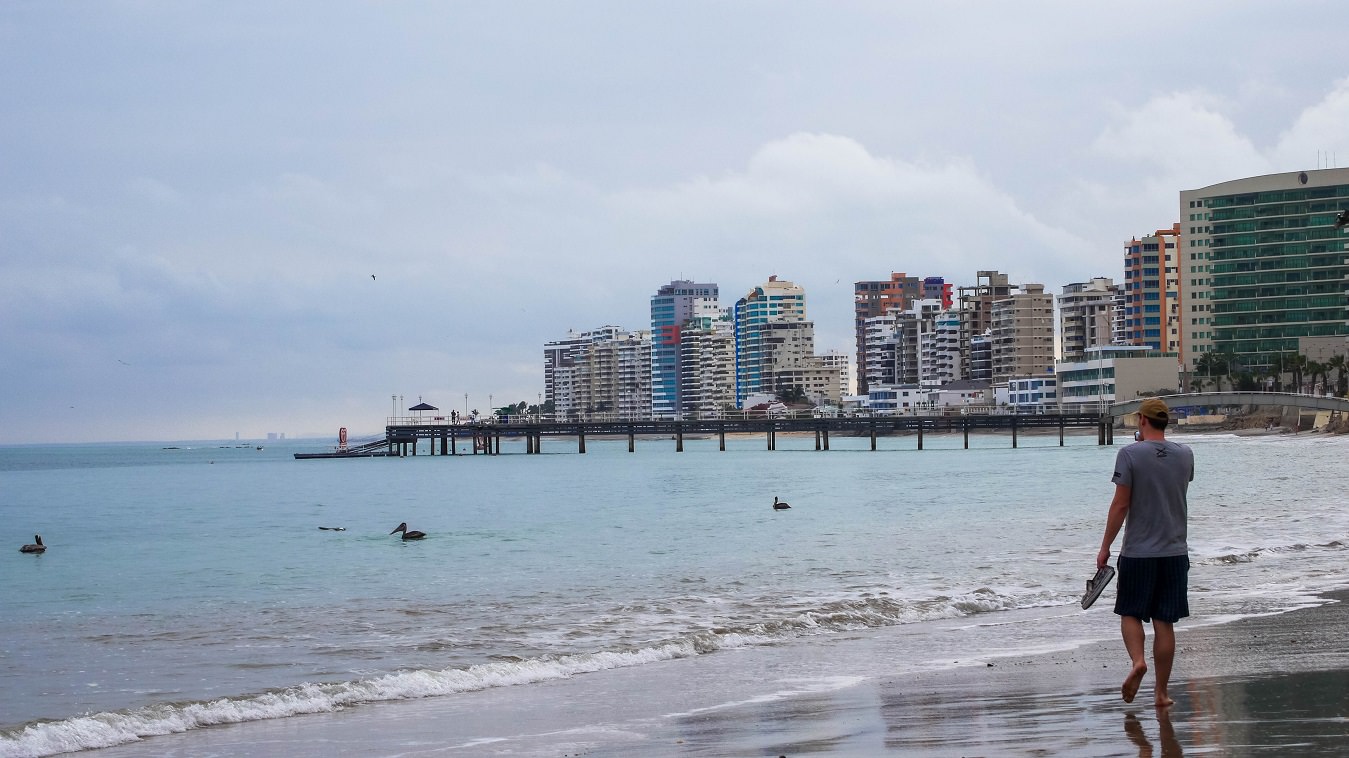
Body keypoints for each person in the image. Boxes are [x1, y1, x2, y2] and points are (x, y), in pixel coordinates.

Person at [1097, 397, 1194, 708]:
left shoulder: (1129, 454)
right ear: (1164, 422)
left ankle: (1138, 661)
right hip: (1175, 550)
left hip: (1139, 551)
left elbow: (1121, 504)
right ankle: (1161, 693)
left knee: (1130, 613)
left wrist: (1105, 547)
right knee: (1164, 621)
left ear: (1142, 420)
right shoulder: (1185, 455)